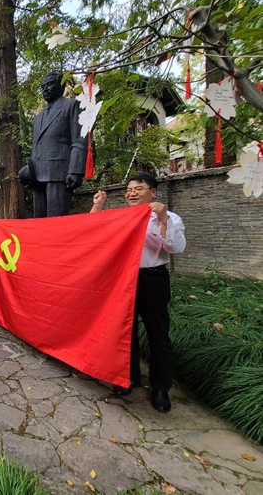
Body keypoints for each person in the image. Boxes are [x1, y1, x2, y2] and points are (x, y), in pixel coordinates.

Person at [91, 173, 186, 413]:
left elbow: (176, 248)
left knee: (158, 334)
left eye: (139, 188)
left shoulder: (170, 217)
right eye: (129, 190)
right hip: (124, 279)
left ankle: (161, 388)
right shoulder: (122, 217)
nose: (132, 193)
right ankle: (128, 377)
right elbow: (92, 231)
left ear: (153, 192)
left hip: (153, 278)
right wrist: (98, 206)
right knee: (125, 331)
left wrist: (162, 219)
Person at [20, 71, 87, 217]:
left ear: (61, 86)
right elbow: (38, 148)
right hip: (38, 177)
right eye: (43, 86)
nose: (45, 89)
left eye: (50, 84)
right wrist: (29, 169)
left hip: (59, 173)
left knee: (56, 222)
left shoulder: (71, 106)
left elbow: (79, 141)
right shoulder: (38, 118)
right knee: (39, 223)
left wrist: (75, 171)